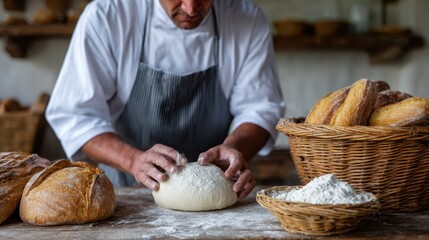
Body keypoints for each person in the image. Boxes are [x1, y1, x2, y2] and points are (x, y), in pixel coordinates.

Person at [46, 0, 285, 199]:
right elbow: (76, 115)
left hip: (215, 193)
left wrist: (234, 149)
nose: (191, 9)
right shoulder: (108, 17)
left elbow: (260, 108)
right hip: (124, 196)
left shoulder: (246, 19)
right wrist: (132, 161)